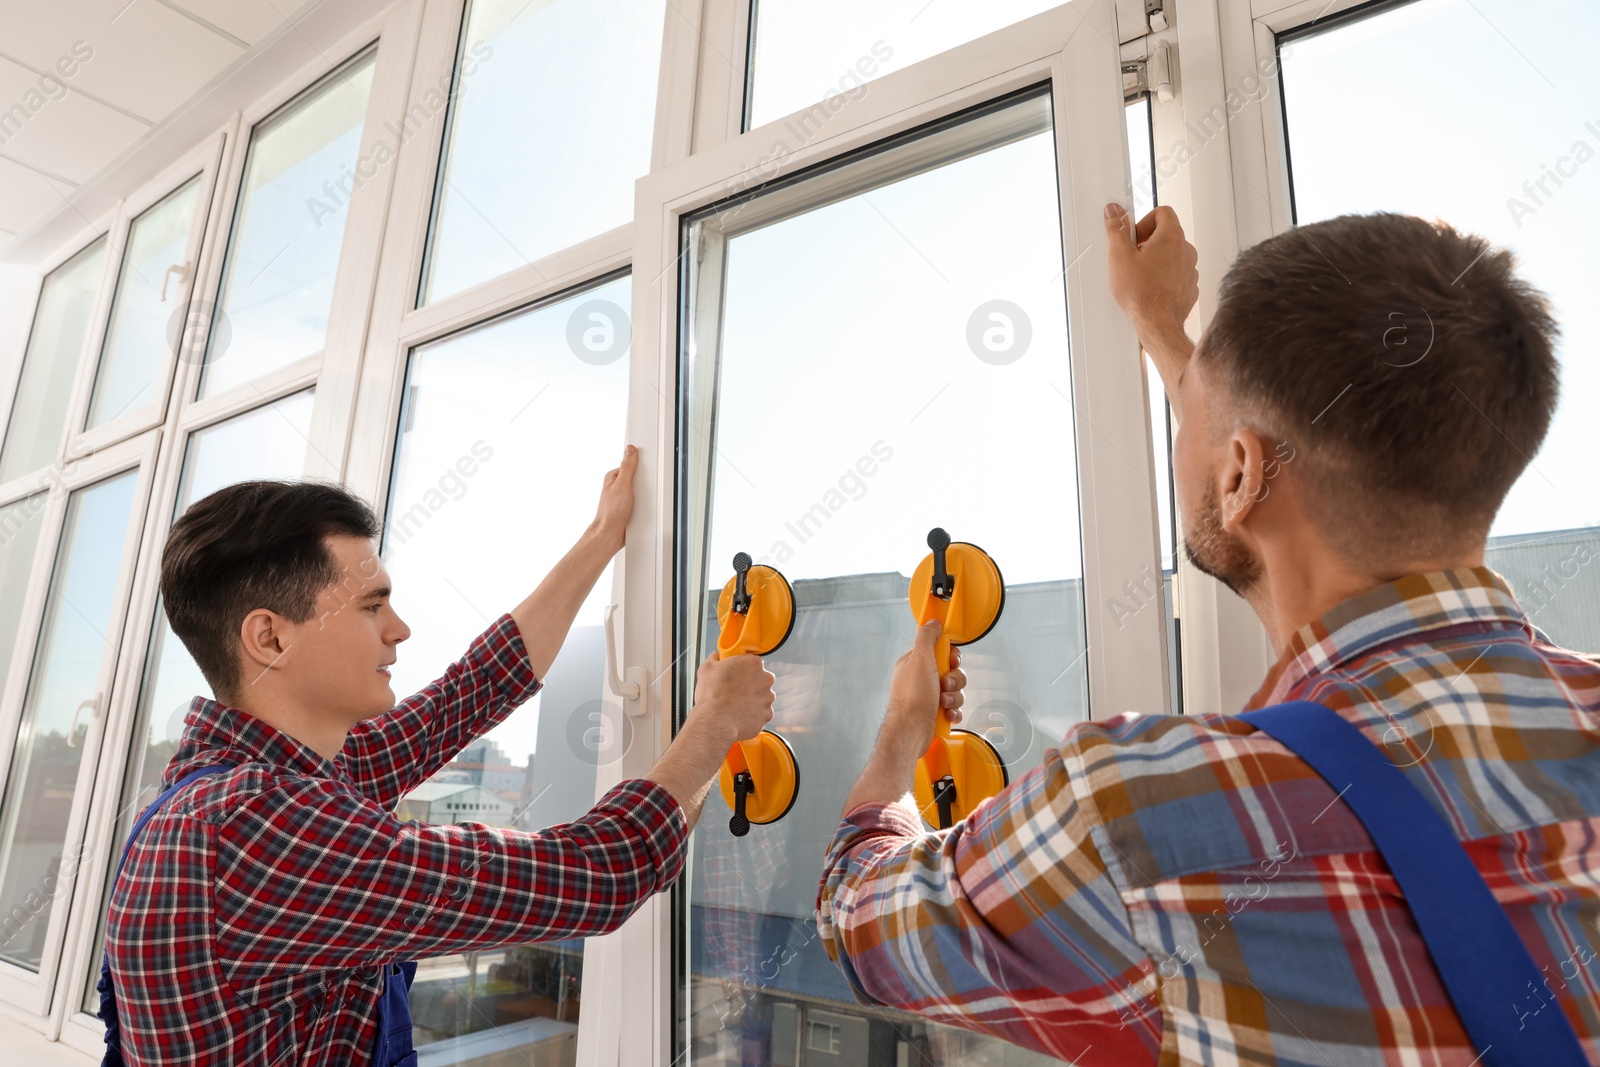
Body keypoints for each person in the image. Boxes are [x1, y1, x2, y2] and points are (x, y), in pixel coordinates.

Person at [817, 206, 1600, 1062]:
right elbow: (1289, 482)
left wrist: (900, 732)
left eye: (1189, 414)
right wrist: (1167, 336)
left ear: (1239, 471)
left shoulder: (1140, 817)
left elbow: (857, 916)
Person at [104, 445, 776, 1065]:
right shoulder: (254, 826)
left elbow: (467, 694)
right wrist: (714, 723)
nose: (400, 629)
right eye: (373, 606)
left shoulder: (260, 782)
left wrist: (603, 538)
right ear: (270, 639)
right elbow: (591, 873)